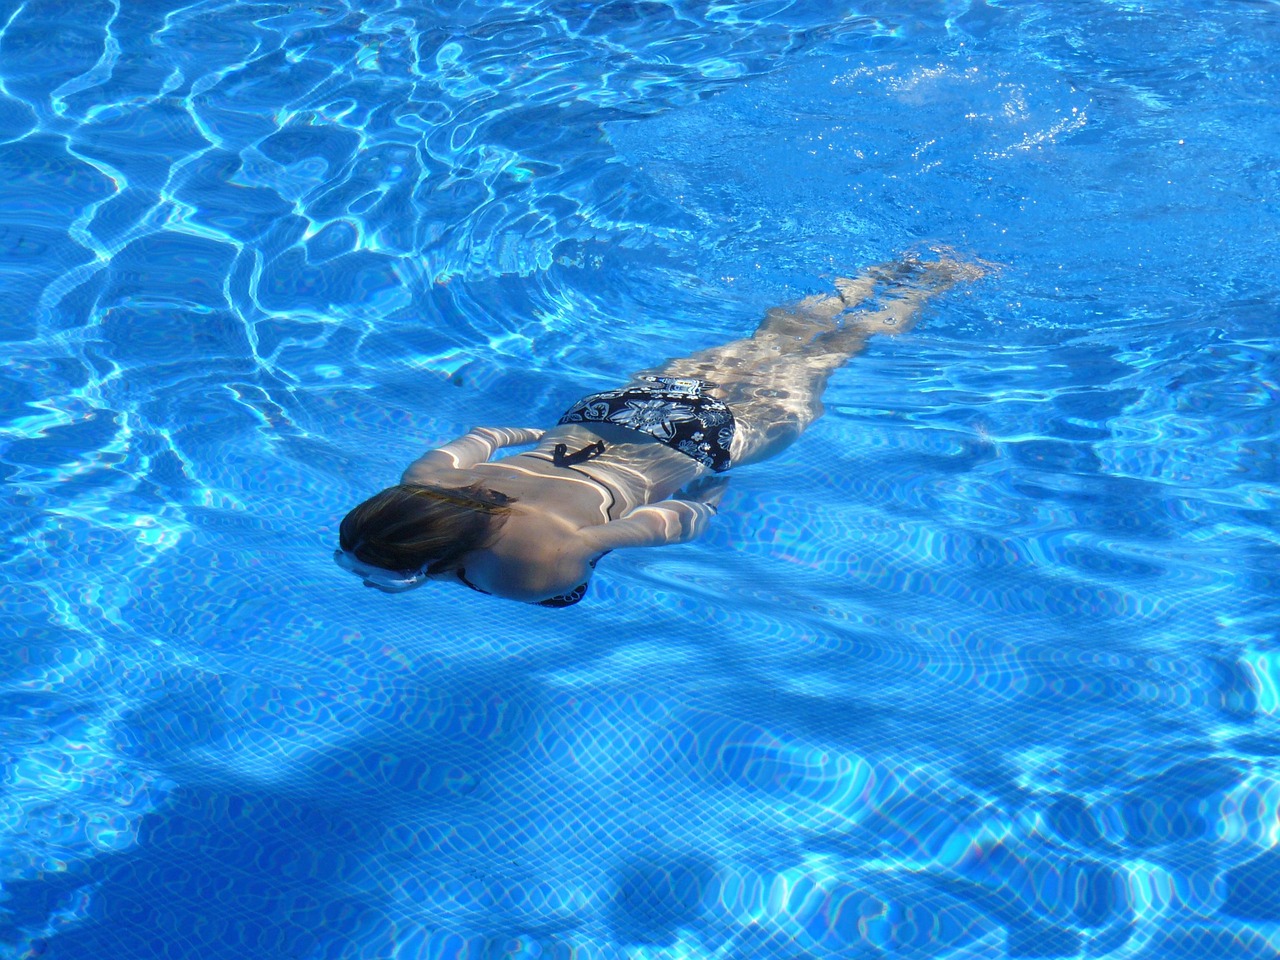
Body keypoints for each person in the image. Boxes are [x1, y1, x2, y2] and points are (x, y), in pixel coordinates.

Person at [335, 255, 982, 605]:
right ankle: (881, 268)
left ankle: (941, 280)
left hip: (699, 443)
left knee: (834, 352)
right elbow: (484, 433)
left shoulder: (530, 568)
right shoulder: (423, 477)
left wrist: (702, 504)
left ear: (428, 563)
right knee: (777, 336)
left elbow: (652, 526)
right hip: (612, 412)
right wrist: (534, 430)